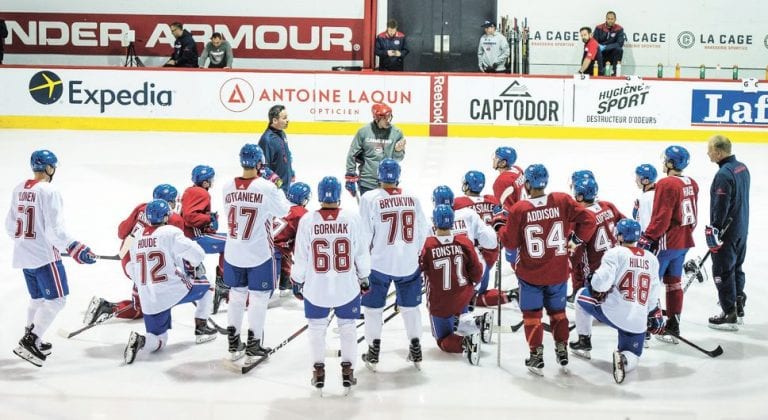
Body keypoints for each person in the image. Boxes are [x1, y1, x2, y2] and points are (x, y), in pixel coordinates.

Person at [495, 164, 596, 375]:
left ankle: (536, 355)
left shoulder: (520, 209)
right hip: (558, 271)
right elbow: (589, 219)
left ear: (528, 184)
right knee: (558, 313)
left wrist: (498, 225)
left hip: (530, 274)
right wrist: (576, 240)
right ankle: (562, 349)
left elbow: (510, 242)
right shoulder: (561, 200)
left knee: (532, 315)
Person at [5, 150, 97, 367]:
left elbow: (10, 226)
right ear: (49, 168)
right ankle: (31, 339)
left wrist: (27, 242)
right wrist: (76, 248)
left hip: (23, 254)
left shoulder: (19, 187)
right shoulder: (49, 191)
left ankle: (33, 334)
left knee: (37, 299)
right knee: (57, 299)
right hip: (44, 257)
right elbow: (54, 231)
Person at [291, 176, 370, 394]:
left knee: (316, 329)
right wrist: (364, 277)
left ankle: (318, 370)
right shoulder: (352, 218)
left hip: (316, 289)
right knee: (348, 328)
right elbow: (361, 253)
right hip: (346, 288)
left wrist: (297, 281)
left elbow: (301, 256)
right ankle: (348, 370)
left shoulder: (308, 220)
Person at [570, 219, 665, 384]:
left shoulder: (615, 253)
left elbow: (600, 284)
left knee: (580, 296)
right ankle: (624, 360)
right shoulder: (651, 259)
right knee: (634, 355)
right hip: (637, 321)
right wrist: (653, 312)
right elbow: (654, 292)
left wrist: (593, 280)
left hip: (612, 313)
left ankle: (584, 341)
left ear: (620, 236)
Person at [123, 199, 217, 365]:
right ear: (166, 216)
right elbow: (198, 254)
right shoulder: (169, 232)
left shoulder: (136, 237)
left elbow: (131, 267)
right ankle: (201, 327)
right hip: (173, 290)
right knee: (207, 286)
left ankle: (142, 340)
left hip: (149, 298)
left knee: (159, 340)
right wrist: (193, 267)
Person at [221, 144, 291, 363]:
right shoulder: (265, 187)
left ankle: (233, 343)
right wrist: (277, 183)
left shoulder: (227, 186)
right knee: (259, 298)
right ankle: (254, 344)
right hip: (259, 253)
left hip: (233, 251)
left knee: (236, 296)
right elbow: (284, 211)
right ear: (260, 163)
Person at [359, 159, 429, 370]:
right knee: (410, 308)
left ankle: (373, 349)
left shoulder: (369, 198)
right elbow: (423, 229)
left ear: (379, 176)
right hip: (408, 265)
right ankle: (415, 345)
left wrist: (361, 265)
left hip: (379, 264)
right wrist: (413, 253)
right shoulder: (413, 197)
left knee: (373, 310)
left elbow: (364, 234)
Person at [83, 184, 185, 325]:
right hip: (150, 265)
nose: (175, 203)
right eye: (173, 200)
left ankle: (119, 304)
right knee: (145, 308)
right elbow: (177, 250)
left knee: (148, 300)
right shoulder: (175, 220)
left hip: (128, 258)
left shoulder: (142, 208)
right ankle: (108, 308)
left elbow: (122, 232)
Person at [638, 145, 698, 343]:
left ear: (671, 163)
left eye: (666, 160)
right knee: (674, 284)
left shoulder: (666, 184)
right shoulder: (692, 183)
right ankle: (673, 325)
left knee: (650, 284)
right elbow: (693, 218)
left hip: (665, 244)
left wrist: (647, 237)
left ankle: (646, 328)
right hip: (684, 242)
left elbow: (662, 218)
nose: (664, 162)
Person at [420, 204, 484, 365]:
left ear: (434, 222)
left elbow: (418, 270)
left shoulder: (427, 245)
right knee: (459, 311)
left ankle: (466, 343)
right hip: (463, 298)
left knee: (442, 340)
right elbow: (477, 271)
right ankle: (477, 322)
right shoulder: (464, 241)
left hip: (440, 303)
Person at [705, 135, 750, 330]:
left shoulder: (723, 174)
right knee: (737, 268)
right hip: (741, 228)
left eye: (710, 150)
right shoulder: (742, 167)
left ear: (719, 152)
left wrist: (714, 229)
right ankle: (738, 305)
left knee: (722, 271)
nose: (708, 153)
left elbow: (720, 205)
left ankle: (729, 312)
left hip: (727, 233)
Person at [568, 176, 625, 303]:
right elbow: (624, 224)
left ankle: (581, 296)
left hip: (593, 267)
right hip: (613, 261)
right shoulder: (607, 206)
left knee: (578, 263)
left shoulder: (581, 217)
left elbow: (574, 247)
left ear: (580, 196)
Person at [345, 103, 406, 198]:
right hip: (367, 183)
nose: (388, 120)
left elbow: (398, 159)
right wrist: (350, 176)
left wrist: (397, 151)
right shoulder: (363, 132)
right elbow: (352, 155)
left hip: (389, 183)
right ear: (376, 118)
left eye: (390, 117)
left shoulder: (396, 133)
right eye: (385, 118)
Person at [491, 146, 525, 276]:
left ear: (503, 162)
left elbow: (506, 209)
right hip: (525, 211)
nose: (494, 160)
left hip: (517, 221)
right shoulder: (518, 169)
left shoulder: (501, 182)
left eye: (497, 158)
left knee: (514, 258)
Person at [273, 182, 311, 295]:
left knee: (286, 242)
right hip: (276, 249)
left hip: (263, 242)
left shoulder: (279, 205)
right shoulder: (301, 213)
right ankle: (293, 280)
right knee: (295, 244)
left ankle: (285, 280)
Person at [258, 104, 294, 195]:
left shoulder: (282, 133)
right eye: (284, 118)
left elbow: (285, 156)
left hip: (286, 188)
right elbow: (262, 168)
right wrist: (278, 184)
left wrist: (291, 172)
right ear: (274, 120)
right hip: (275, 192)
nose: (287, 120)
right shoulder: (267, 140)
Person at [632, 164, 657, 233]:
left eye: (638, 178)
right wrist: (637, 211)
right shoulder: (656, 191)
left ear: (645, 181)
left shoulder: (646, 198)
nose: (635, 181)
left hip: (650, 238)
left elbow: (646, 225)